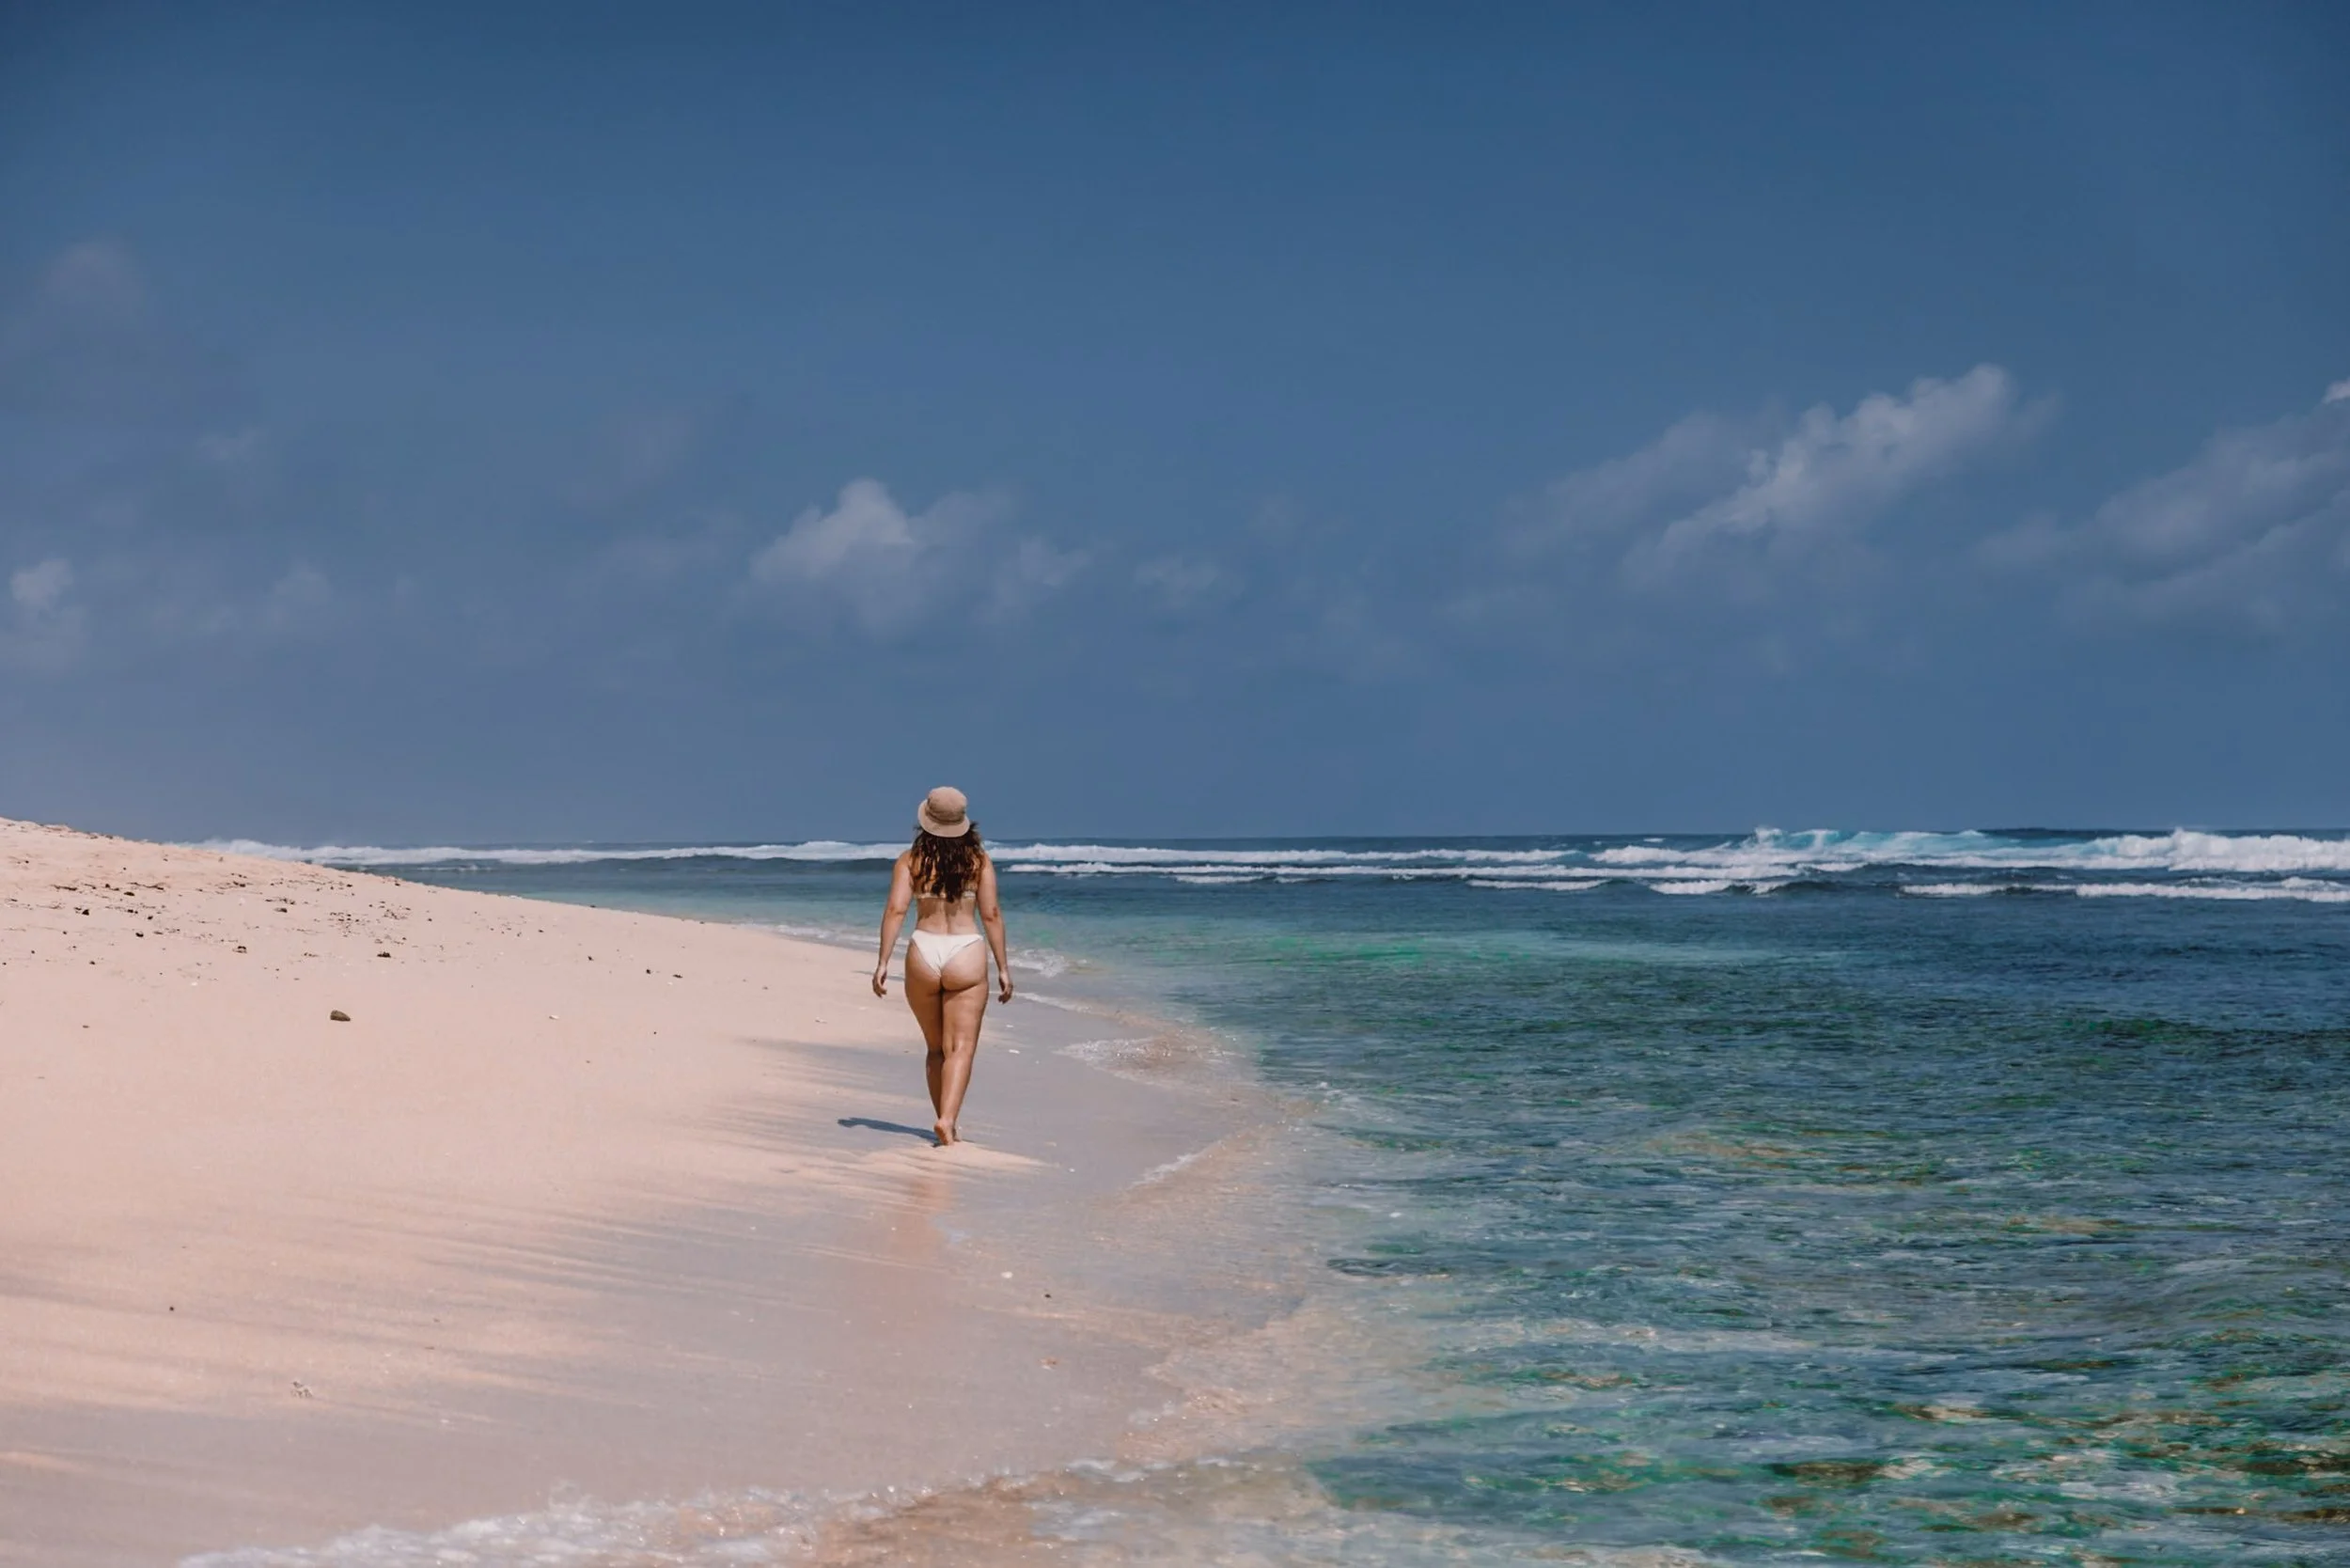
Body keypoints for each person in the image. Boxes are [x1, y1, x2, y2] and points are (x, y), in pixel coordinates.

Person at [872, 786, 1013, 1146]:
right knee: (961, 1048)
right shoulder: (979, 860)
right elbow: (991, 914)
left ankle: (944, 1122)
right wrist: (1003, 967)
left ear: (927, 819)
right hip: (965, 950)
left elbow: (896, 910)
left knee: (936, 1048)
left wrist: (883, 961)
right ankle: (948, 1121)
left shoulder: (910, 860)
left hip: (924, 949)